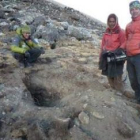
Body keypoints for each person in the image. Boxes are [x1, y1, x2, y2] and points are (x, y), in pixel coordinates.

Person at [99, 13, 127, 94]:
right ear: (108, 22)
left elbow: (124, 43)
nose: (112, 23)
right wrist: (101, 56)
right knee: (109, 75)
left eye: (113, 21)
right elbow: (102, 45)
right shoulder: (106, 33)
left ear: (116, 21)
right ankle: (113, 91)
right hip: (107, 57)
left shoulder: (120, 32)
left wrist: (118, 51)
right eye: (110, 21)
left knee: (117, 76)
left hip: (117, 57)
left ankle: (120, 93)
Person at [121, 0, 140, 103]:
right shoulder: (128, 25)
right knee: (133, 80)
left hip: (139, 56)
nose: (134, 11)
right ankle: (138, 99)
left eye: (136, 8)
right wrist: (121, 48)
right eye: (132, 9)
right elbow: (126, 39)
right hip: (129, 56)